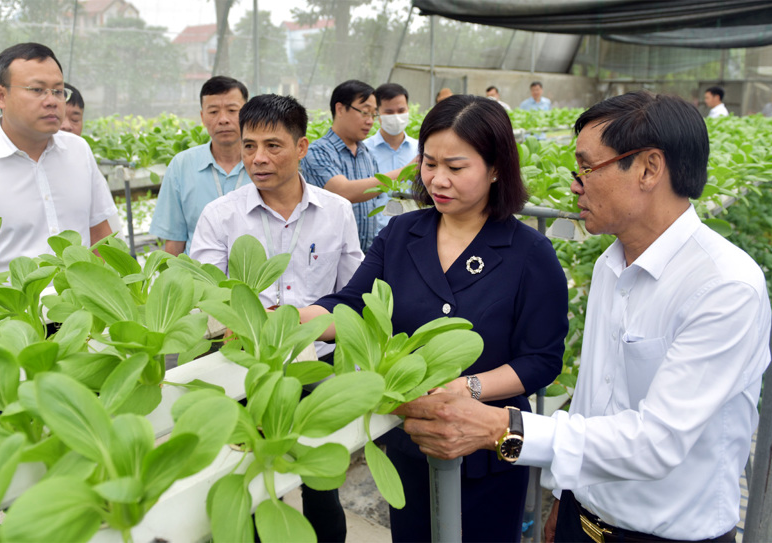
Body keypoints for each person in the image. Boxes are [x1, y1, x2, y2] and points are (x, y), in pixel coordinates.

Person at [395, 91, 772, 543]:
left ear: (650, 169)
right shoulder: (611, 265)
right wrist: (565, 499)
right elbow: (596, 404)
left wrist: (501, 427)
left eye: (587, 168)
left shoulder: (724, 286)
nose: (575, 184)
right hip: (584, 521)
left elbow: (657, 442)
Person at [300, 94, 569, 542]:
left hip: (485, 449)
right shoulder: (404, 232)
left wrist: (466, 388)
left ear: (496, 167)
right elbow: (353, 305)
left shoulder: (529, 253)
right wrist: (293, 320)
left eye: (456, 167)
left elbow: (541, 359)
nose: (438, 180)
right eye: (429, 163)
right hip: (412, 438)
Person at [192, 94, 363, 543]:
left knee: (320, 485)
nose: (258, 158)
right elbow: (207, 298)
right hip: (242, 372)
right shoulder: (221, 215)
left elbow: (352, 295)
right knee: (248, 482)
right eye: (249, 147)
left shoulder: (336, 211)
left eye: (273, 145)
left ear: (302, 147)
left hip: (316, 368)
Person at [0, 42, 115, 272]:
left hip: (80, 305)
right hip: (8, 307)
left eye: (58, 91)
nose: (51, 100)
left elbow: (100, 235)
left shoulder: (79, 151)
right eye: (37, 90)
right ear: (1, 96)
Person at [300, 80, 404, 252]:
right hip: (327, 257)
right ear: (340, 109)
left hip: (364, 258)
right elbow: (343, 191)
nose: (370, 121)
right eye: (364, 112)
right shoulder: (317, 152)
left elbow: (377, 207)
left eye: (373, 114)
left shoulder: (367, 155)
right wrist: (407, 171)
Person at [150, 76, 249, 256]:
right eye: (213, 112)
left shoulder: (264, 164)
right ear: (202, 117)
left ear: (247, 114)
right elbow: (174, 240)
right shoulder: (182, 166)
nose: (223, 119)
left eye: (232, 110)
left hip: (254, 280)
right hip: (198, 280)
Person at [365, 83, 418, 235]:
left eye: (401, 110)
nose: (396, 116)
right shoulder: (364, 151)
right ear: (377, 113)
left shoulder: (421, 150)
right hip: (376, 236)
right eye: (389, 112)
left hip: (414, 234)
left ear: (408, 109)